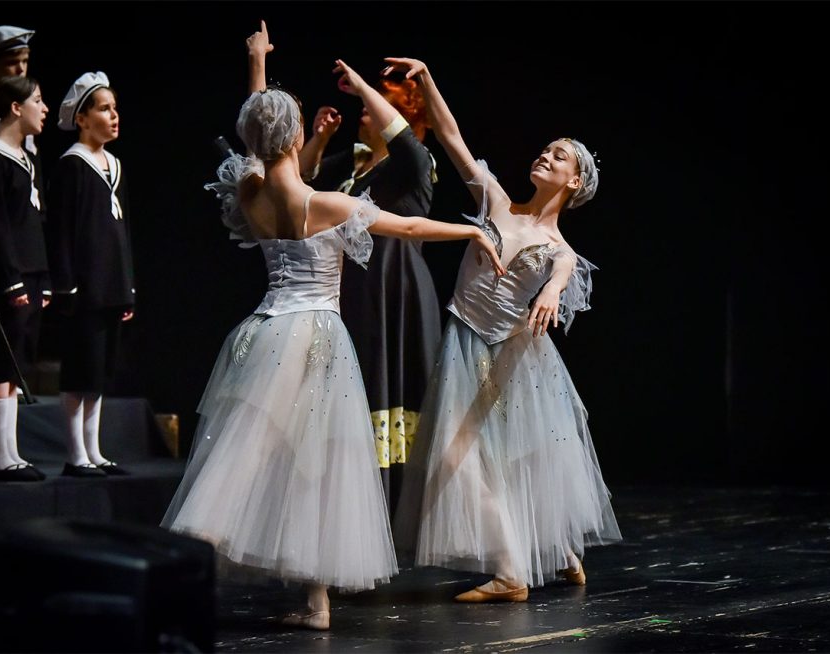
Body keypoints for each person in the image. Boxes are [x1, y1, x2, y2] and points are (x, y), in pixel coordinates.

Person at [161, 22, 505, 631]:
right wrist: (471, 231)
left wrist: (257, 64)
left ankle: (315, 603)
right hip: (315, 336)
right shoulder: (325, 204)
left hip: (265, 330)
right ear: (296, 136)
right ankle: (183, 579)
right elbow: (410, 228)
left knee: (270, 454)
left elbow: (255, 133)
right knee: (294, 460)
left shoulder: (250, 191)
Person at [386, 57, 622, 602]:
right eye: (544, 150)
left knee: (492, 459)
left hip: (514, 360)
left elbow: (562, 271)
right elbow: (451, 137)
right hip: (466, 345)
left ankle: (513, 572)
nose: (544, 155)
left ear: (574, 181)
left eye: (558, 155)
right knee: (470, 459)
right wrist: (427, 80)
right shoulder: (495, 199)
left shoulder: (559, 248)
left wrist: (552, 290)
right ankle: (559, 554)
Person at [298, 53, 440, 512]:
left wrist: (362, 85)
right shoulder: (353, 165)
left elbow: (408, 149)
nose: (366, 107)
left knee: (389, 380)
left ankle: (395, 506)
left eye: (379, 101)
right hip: (353, 289)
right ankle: (353, 502)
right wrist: (320, 139)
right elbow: (298, 184)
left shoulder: (413, 163)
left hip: (393, 288)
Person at [46, 71, 134, 478]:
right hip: (83, 287)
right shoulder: (73, 165)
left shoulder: (114, 164)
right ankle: (75, 452)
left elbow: (123, 230)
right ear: (81, 119)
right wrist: (65, 286)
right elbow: (61, 232)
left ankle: (93, 449)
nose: (113, 116)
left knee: (99, 371)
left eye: (115, 108)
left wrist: (127, 285)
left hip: (111, 285)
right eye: (103, 109)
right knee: (80, 369)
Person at [0, 75, 50, 482]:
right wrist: (12, 279)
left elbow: (34, 223)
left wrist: (43, 278)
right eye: (38, 100)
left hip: (31, 273)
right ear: (16, 108)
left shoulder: (25, 158)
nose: (44, 109)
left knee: (16, 363)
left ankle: (11, 450)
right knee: (0, 362)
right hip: (8, 277)